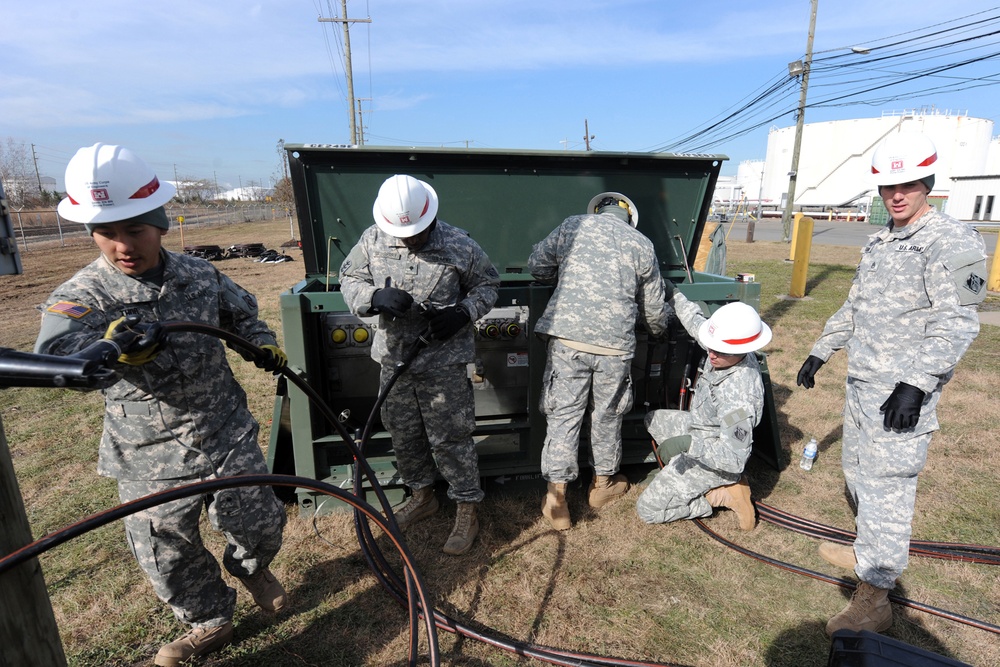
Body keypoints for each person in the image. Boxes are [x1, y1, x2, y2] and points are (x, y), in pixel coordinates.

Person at [34, 143, 289, 666]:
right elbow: (58, 359)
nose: (122, 245)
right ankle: (210, 622)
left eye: (135, 229)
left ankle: (251, 567)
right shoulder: (83, 295)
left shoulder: (199, 274)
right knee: (164, 545)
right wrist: (109, 346)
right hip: (148, 447)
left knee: (260, 519)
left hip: (223, 426)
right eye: (107, 232)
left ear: (160, 224)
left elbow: (241, 313)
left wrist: (260, 341)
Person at [796, 132, 988, 637]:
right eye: (887, 188)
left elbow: (960, 320)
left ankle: (875, 597)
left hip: (901, 394)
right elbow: (856, 304)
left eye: (907, 185)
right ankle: (867, 553)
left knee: (888, 490)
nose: (896, 196)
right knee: (857, 474)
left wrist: (917, 384)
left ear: (927, 183)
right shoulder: (882, 240)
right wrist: (823, 347)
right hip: (863, 383)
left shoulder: (953, 242)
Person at [339, 174, 500, 555]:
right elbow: (349, 277)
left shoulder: (461, 245)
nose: (409, 239)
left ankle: (466, 507)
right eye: (403, 232)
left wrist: (463, 312)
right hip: (395, 360)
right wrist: (374, 295)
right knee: (404, 434)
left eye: (416, 232)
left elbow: (489, 286)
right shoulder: (372, 239)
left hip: (442, 363)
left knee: (451, 437)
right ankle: (422, 495)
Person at [528, 192, 669, 530]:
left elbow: (537, 265)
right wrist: (659, 330)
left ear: (597, 210)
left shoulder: (571, 226)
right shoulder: (642, 244)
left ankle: (557, 499)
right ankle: (602, 486)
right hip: (615, 349)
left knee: (564, 416)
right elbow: (654, 311)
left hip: (568, 341)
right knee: (607, 415)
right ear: (628, 218)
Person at [636, 293, 770, 530]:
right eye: (711, 347)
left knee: (648, 509)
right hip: (701, 427)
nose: (711, 355)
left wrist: (689, 445)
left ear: (743, 348)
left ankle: (720, 495)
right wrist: (672, 294)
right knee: (653, 419)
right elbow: (695, 322)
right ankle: (680, 473)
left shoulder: (739, 396)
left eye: (719, 351)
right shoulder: (725, 348)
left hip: (719, 460)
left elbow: (734, 458)